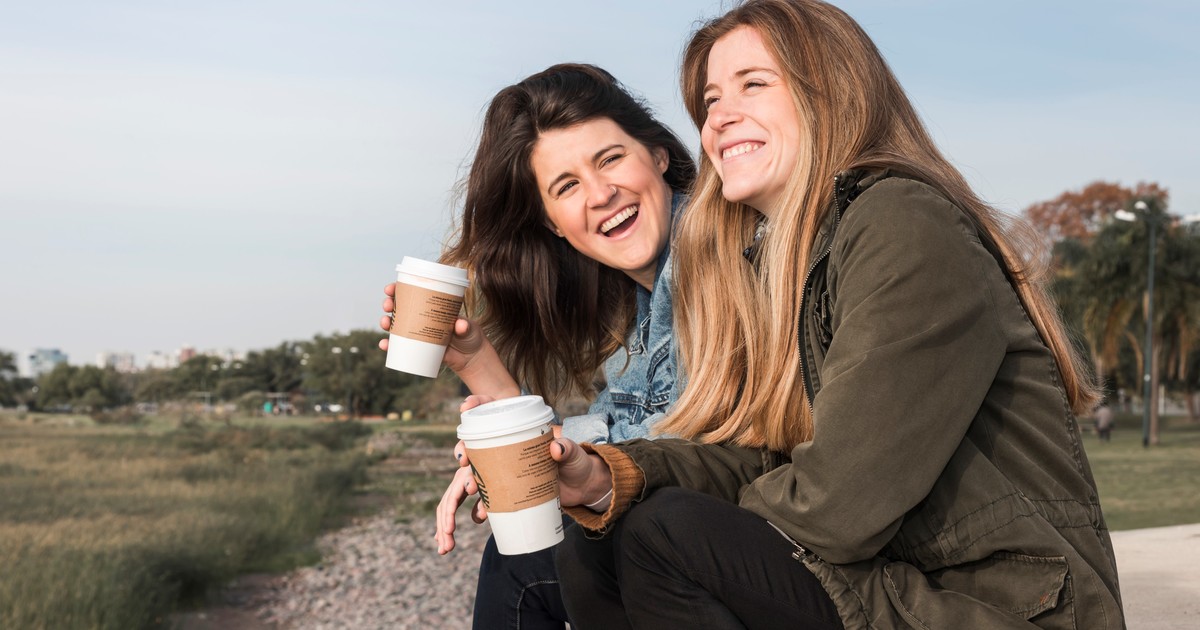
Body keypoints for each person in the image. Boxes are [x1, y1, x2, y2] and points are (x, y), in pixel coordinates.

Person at [548, 1, 1125, 628]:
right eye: (711, 101)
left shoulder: (903, 224)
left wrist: (691, 514)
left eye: (753, 84)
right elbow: (774, 460)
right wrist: (606, 477)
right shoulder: (796, 262)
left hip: (998, 607)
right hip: (896, 586)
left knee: (665, 531)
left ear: (831, 94)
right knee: (593, 546)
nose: (718, 118)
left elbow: (840, 501)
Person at [378, 63, 695, 629]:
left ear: (659, 154)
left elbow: (692, 440)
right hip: (696, 537)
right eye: (566, 186)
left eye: (610, 159)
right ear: (551, 223)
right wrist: (476, 361)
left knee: (523, 565)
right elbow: (623, 433)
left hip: (761, 550)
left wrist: (541, 460)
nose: (601, 194)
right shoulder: (637, 305)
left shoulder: (710, 255)